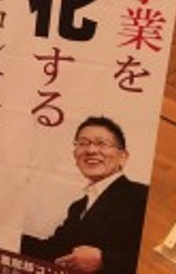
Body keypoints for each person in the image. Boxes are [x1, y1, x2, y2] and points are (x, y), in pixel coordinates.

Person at [20, 116, 149, 274]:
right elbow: (53, 250)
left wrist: (104, 260)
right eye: (83, 143)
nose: (90, 150)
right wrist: (5, 232)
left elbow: (154, 258)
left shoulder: (142, 196)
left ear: (123, 156)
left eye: (102, 143)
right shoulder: (78, 207)